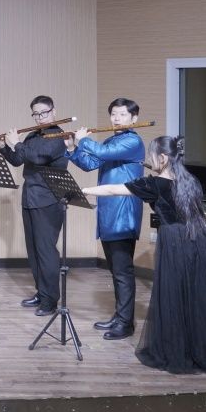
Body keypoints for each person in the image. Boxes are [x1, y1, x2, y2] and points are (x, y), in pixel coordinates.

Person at [83, 136, 206, 376]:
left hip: (175, 243)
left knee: (174, 295)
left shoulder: (155, 184)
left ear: (162, 158)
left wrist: (84, 190)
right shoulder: (191, 180)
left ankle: (179, 351)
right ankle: (201, 348)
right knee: (195, 295)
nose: (149, 160)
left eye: (152, 156)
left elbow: (113, 189)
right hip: (199, 241)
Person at [64, 97, 144, 340]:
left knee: (122, 272)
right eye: (113, 114)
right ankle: (120, 316)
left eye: (122, 115)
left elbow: (101, 151)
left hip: (123, 213)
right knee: (116, 271)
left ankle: (125, 324)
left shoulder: (133, 141)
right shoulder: (112, 140)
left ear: (134, 118)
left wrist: (84, 140)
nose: (116, 119)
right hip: (108, 212)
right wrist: (72, 149)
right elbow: (90, 163)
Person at [0, 95, 68, 316]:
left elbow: (38, 158)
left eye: (44, 113)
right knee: (34, 250)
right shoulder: (33, 135)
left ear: (53, 112)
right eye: (36, 114)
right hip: (30, 197)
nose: (39, 117)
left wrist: (16, 143)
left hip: (48, 199)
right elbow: (19, 160)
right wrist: (4, 148)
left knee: (46, 251)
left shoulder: (58, 136)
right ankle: (41, 292)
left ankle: (50, 301)